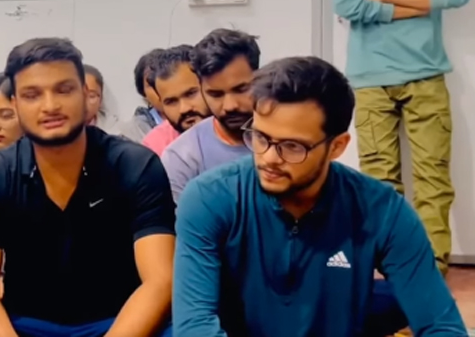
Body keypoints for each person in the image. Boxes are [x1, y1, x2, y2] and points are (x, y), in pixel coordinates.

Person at [172, 56, 466, 337]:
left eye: (292, 146)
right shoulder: (210, 198)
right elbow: (195, 325)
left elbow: (441, 325)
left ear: (337, 147)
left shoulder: (382, 210)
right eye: (260, 137)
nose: (269, 158)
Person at [0, 38, 176, 337]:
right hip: (24, 323)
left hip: (118, 321)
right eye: (32, 95)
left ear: (86, 96)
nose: (50, 105)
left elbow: (159, 282)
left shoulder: (135, 165)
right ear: (15, 104)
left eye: (64, 90)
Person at [332, 0, 470, 276]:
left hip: (427, 74)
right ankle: (386, 272)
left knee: (433, 181)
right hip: (370, 77)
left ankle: (430, 272)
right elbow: (346, 3)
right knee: (379, 183)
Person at [161, 29, 259, 202]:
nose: (230, 106)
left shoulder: (291, 138)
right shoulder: (181, 157)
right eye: (216, 94)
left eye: (241, 89)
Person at [141, 45, 210, 156]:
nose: (184, 109)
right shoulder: (155, 147)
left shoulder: (237, 124)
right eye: (171, 102)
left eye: (190, 94)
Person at [115, 48, 165, 143]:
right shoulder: (133, 133)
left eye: (165, 81)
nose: (159, 89)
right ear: (143, 93)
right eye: (151, 84)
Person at [83, 64, 117, 132]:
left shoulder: (114, 131)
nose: (84, 102)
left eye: (91, 96)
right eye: (78, 95)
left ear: (101, 100)